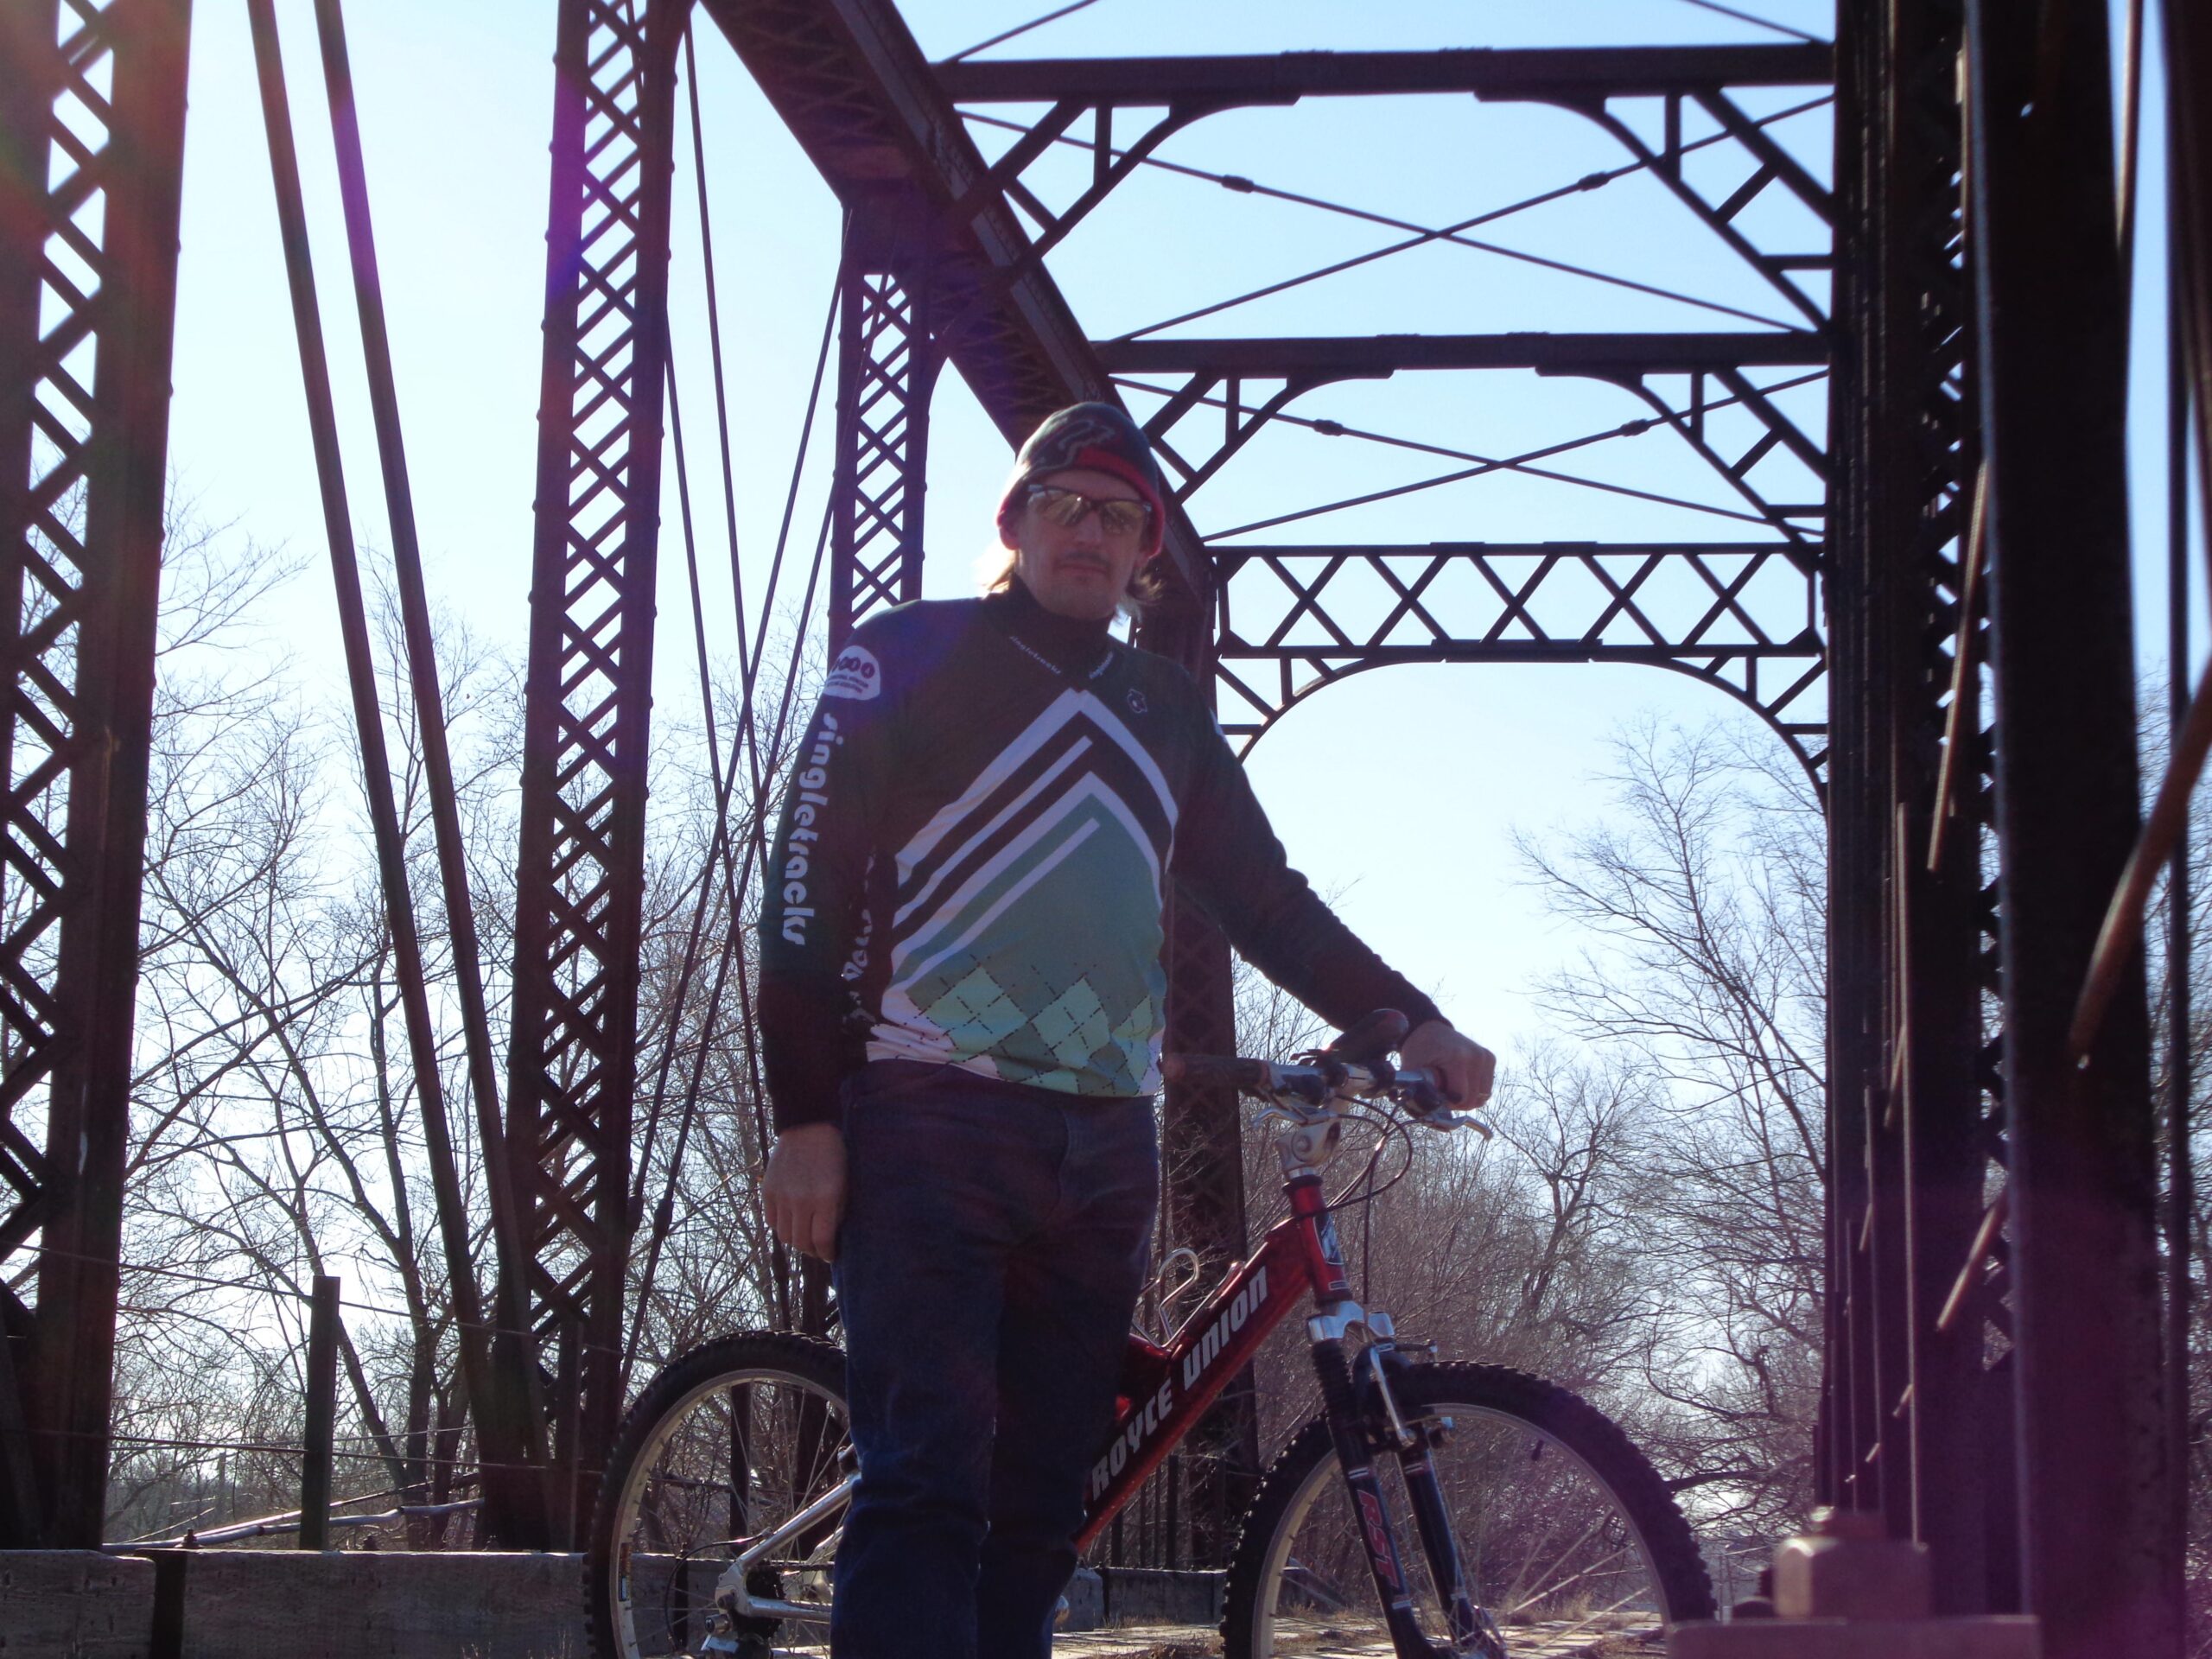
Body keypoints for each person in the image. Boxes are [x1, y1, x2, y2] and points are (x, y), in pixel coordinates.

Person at [756, 402, 1494, 1659]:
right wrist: (806, 1117)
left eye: (1118, 514)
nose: (1088, 531)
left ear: (1146, 547)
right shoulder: (909, 655)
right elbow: (800, 892)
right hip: (929, 1115)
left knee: (1044, 1511)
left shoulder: (1167, 706)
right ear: (1016, 522)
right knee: (927, 1489)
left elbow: (1263, 896)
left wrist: (1407, 1016)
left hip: (1103, 1146)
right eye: (1064, 504)